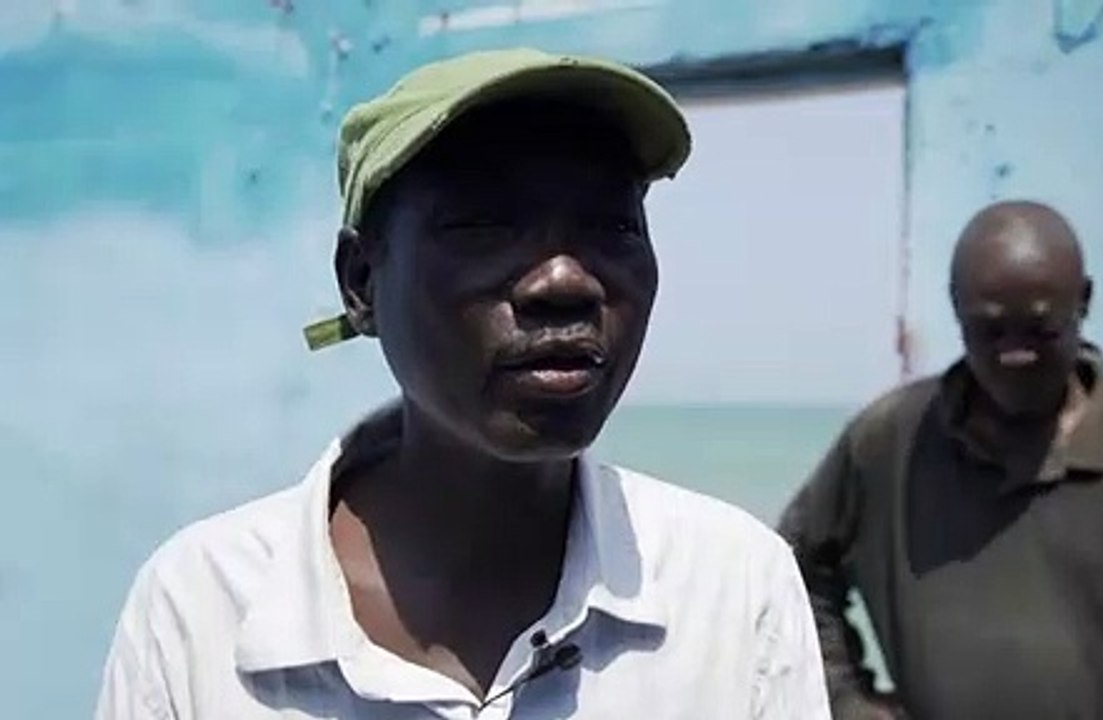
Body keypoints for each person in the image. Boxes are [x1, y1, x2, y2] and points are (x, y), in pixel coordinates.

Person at [96, 48, 830, 720]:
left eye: (612, 228)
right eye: (483, 226)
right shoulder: (203, 612)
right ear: (361, 282)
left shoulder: (731, 591)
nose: (565, 281)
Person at [779, 200, 1103, 719]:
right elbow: (789, 569)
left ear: (1082, 301)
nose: (1015, 353)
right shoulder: (891, 441)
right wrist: (845, 698)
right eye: (990, 331)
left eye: (1040, 330)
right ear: (956, 308)